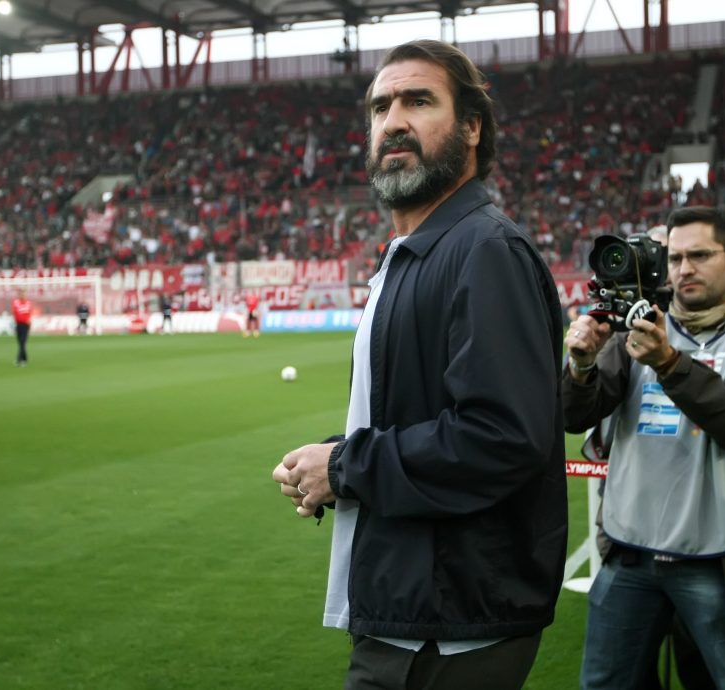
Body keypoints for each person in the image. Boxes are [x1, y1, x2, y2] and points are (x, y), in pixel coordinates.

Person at [271, 40, 567, 690]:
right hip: (416, 607)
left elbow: (502, 436)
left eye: (419, 101)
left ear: (472, 127)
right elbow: (423, 415)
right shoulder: (416, 253)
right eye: (381, 107)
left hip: (449, 624)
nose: (394, 120)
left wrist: (346, 467)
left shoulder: (485, 251)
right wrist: (336, 458)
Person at [564, 206, 725, 689]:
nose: (684, 269)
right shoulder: (635, 336)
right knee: (606, 684)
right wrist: (582, 365)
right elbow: (573, 417)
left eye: (700, 255)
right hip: (630, 552)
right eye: (674, 258)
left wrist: (670, 363)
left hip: (717, 559)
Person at [12, 289, 33, 366]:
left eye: (23, 294)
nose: (22, 295)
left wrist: (28, 320)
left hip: (25, 325)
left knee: (22, 342)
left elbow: (29, 313)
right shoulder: (16, 303)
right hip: (18, 325)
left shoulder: (28, 303)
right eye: (21, 294)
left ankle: (18, 360)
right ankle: (25, 359)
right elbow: (15, 313)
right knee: (20, 343)